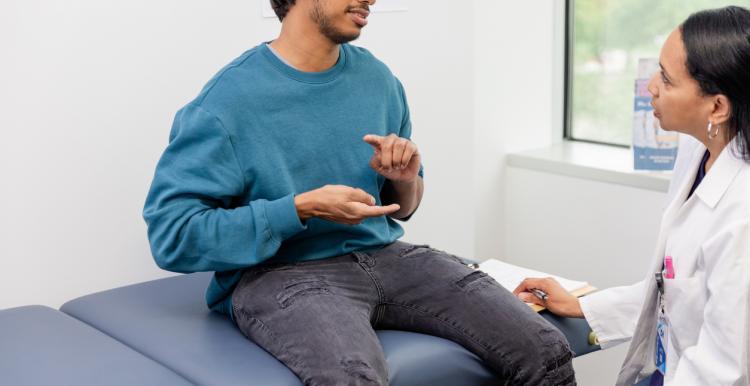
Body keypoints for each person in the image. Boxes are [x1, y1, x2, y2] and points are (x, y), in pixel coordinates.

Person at [143, 0, 575, 384]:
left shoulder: (377, 78)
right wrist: (299, 208)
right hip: (281, 272)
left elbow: (403, 209)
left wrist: (403, 177)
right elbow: (172, 236)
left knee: (545, 349)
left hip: (386, 256)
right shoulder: (226, 103)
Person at [514, 6, 750, 386]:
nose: (651, 87)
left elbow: (723, 371)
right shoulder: (697, 153)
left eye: (668, 81)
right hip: (667, 367)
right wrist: (582, 306)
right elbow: (675, 287)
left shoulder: (743, 214)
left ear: (717, 106)